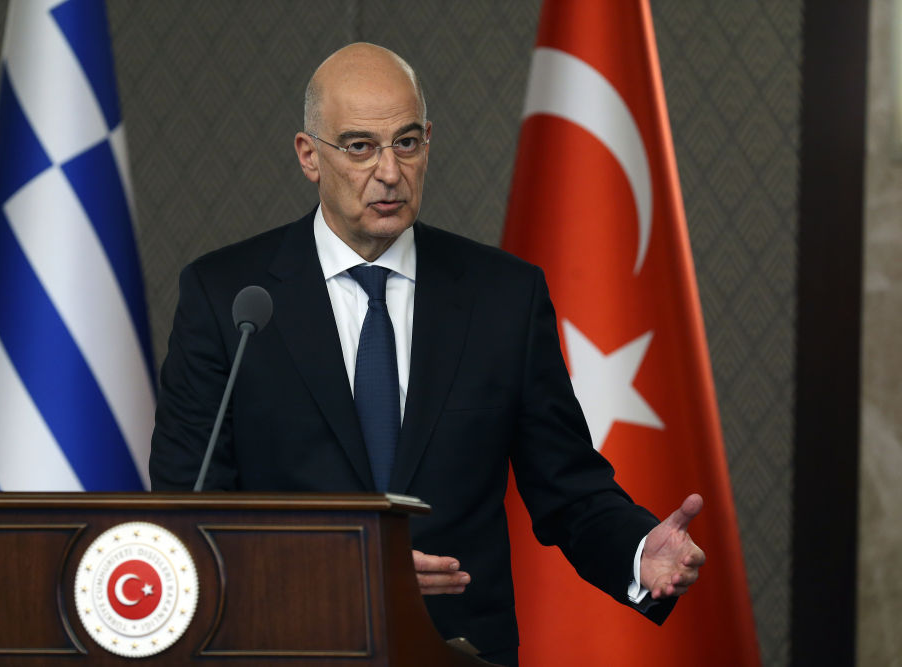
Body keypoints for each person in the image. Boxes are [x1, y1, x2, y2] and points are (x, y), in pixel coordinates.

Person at [150, 42, 705, 666]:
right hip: (286, 647)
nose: (390, 171)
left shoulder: (504, 296)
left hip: (455, 650)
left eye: (407, 143)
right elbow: (189, 515)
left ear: (428, 143)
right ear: (309, 155)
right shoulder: (229, 298)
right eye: (360, 147)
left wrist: (638, 552)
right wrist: (348, 570)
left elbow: (568, 487)